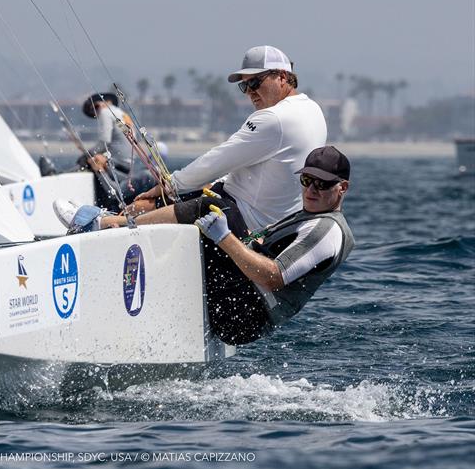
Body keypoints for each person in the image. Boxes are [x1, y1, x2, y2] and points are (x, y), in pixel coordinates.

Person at [55, 45, 328, 236]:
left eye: (254, 83)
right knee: (179, 193)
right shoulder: (313, 110)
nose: (250, 93)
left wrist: (171, 185)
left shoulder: (274, 118)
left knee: (162, 196)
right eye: (244, 86)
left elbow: (219, 159)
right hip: (273, 218)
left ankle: (100, 224)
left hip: (243, 216)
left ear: (282, 77)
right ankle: (110, 222)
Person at [193, 146, 355, 345]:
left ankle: (142, 227)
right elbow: (260, 241)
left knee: (210, 208)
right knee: (215, 200)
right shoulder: (308, 217)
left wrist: (225, 237)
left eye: (322, 184)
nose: (311, 190)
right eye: (306, 181)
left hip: (244, 317)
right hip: (242, 298)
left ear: (343, 187)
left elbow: (274, 277)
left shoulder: (328, 231)